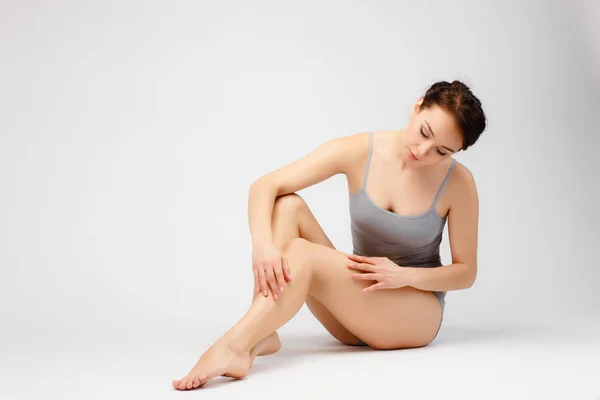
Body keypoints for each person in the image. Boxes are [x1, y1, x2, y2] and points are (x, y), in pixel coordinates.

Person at [172, 80, 487, 390]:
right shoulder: (361, 151)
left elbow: (466, 273)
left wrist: (402, 276)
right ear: (417, 107)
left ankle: (233, 346)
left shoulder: (458, 183)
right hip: (357, 305)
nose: (423, 150)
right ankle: (259, 332)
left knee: (302, 254)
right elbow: (265, 186)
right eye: (424, 133)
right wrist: (263, 246)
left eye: (441, 151)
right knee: (287, 206)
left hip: (415, 312)